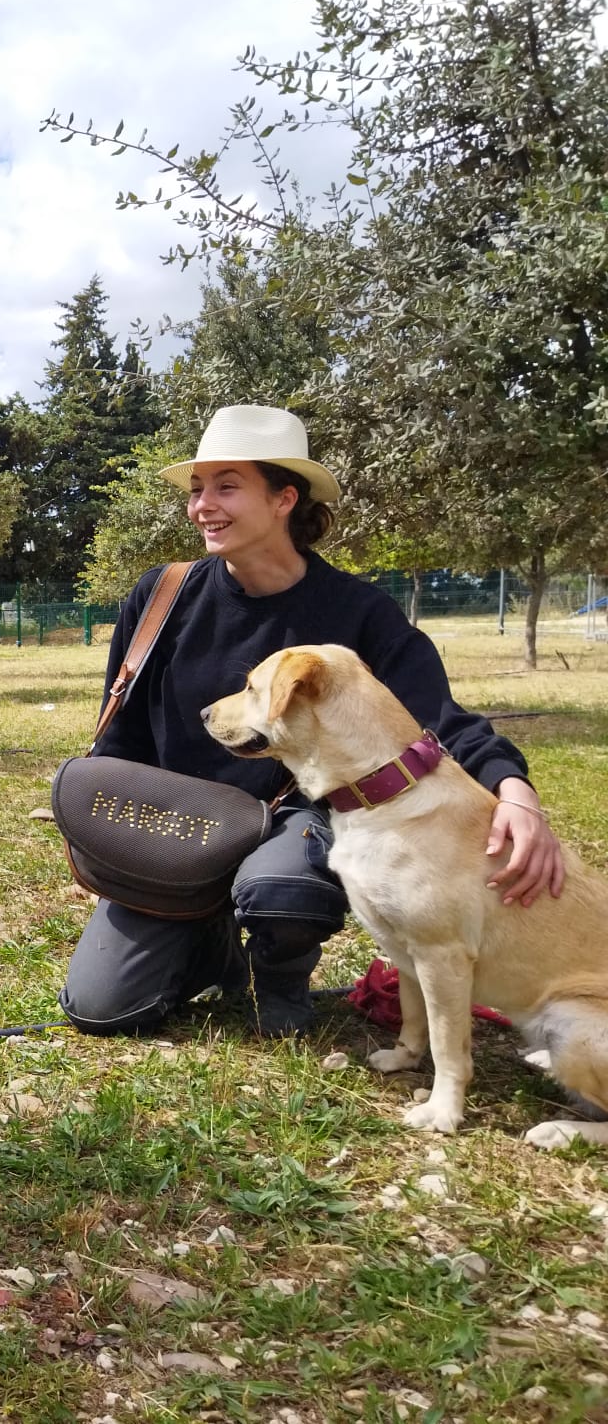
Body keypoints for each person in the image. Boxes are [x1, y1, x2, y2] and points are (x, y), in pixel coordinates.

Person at [60, 406, 565, 1037]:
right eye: (196, 490)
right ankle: (209, 942)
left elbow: (437, 722)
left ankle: (278, 971)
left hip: (290, 818)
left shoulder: (358, 613)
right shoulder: (162, 595)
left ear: (283, 498)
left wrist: (514, 790)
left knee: (282, 889)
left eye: (226, 486)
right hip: (181, 820)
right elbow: (121, 733)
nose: (202, 507)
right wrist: (128, 840)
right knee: (102, 1008)